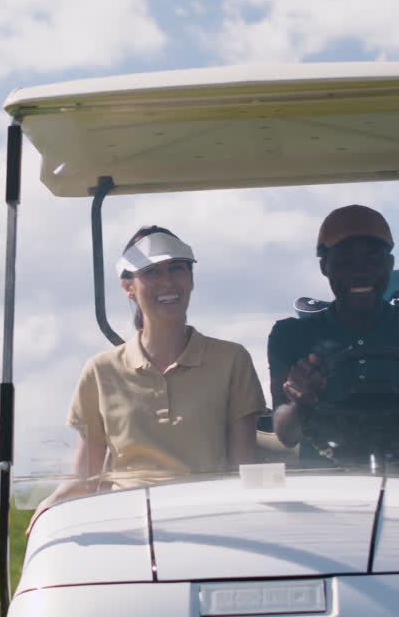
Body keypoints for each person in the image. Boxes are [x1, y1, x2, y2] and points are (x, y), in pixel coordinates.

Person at [29, 226, 266, 531]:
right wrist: (47, 509)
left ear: (191, 279)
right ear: (128, 287)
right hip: (128, 527)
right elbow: (84, 479)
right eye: (152, 272)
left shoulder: (231, 360)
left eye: (177, 268)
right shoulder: (100, 371)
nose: (167, 282)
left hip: (212, 520)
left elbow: (243, 470)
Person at [268, 205, 399, 467]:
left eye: (373, 259)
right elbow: (287, 436)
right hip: (323, 485)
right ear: (324, 267)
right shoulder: (290, 335)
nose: (360, 271)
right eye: (345, 260)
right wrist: (300, 400)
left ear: (390, 265)